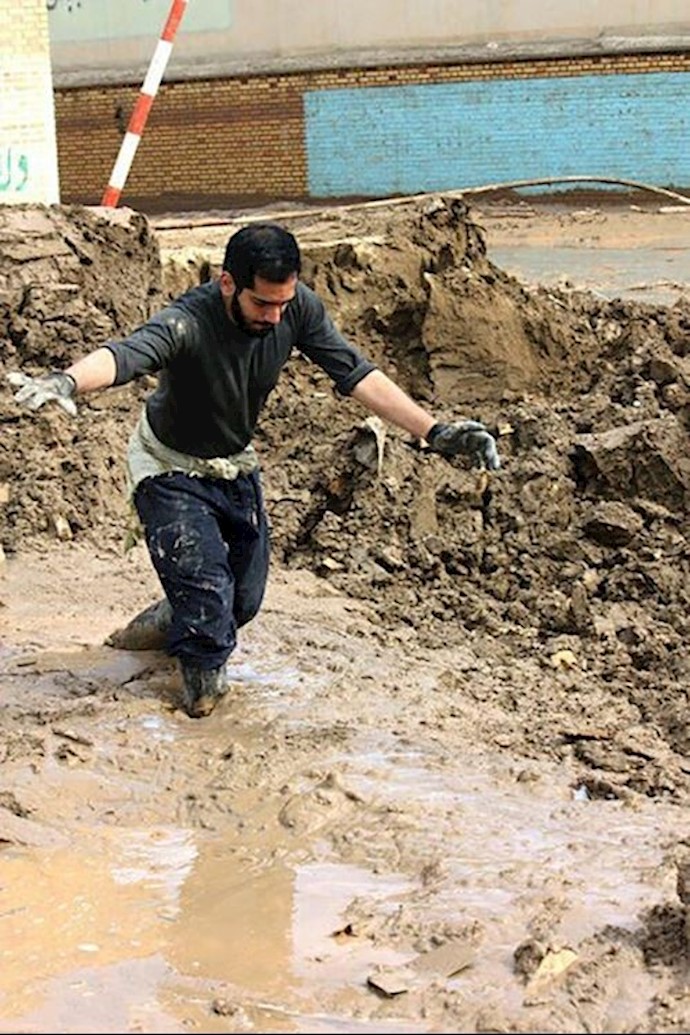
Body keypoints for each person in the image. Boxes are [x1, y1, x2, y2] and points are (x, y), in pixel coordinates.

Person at [8, 222, 500, 718]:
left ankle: (149, 632)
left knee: (241, 602)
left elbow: (355, 372)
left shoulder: (296, 307)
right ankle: (203, 704)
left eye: (283, 303)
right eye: (263, 304)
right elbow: (128, 354)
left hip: (233, 464)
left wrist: (435, 431)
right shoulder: (188, 321)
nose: (275, 316)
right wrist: (67, 382)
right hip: (169, 468)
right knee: (207, 606)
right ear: (228, 283)